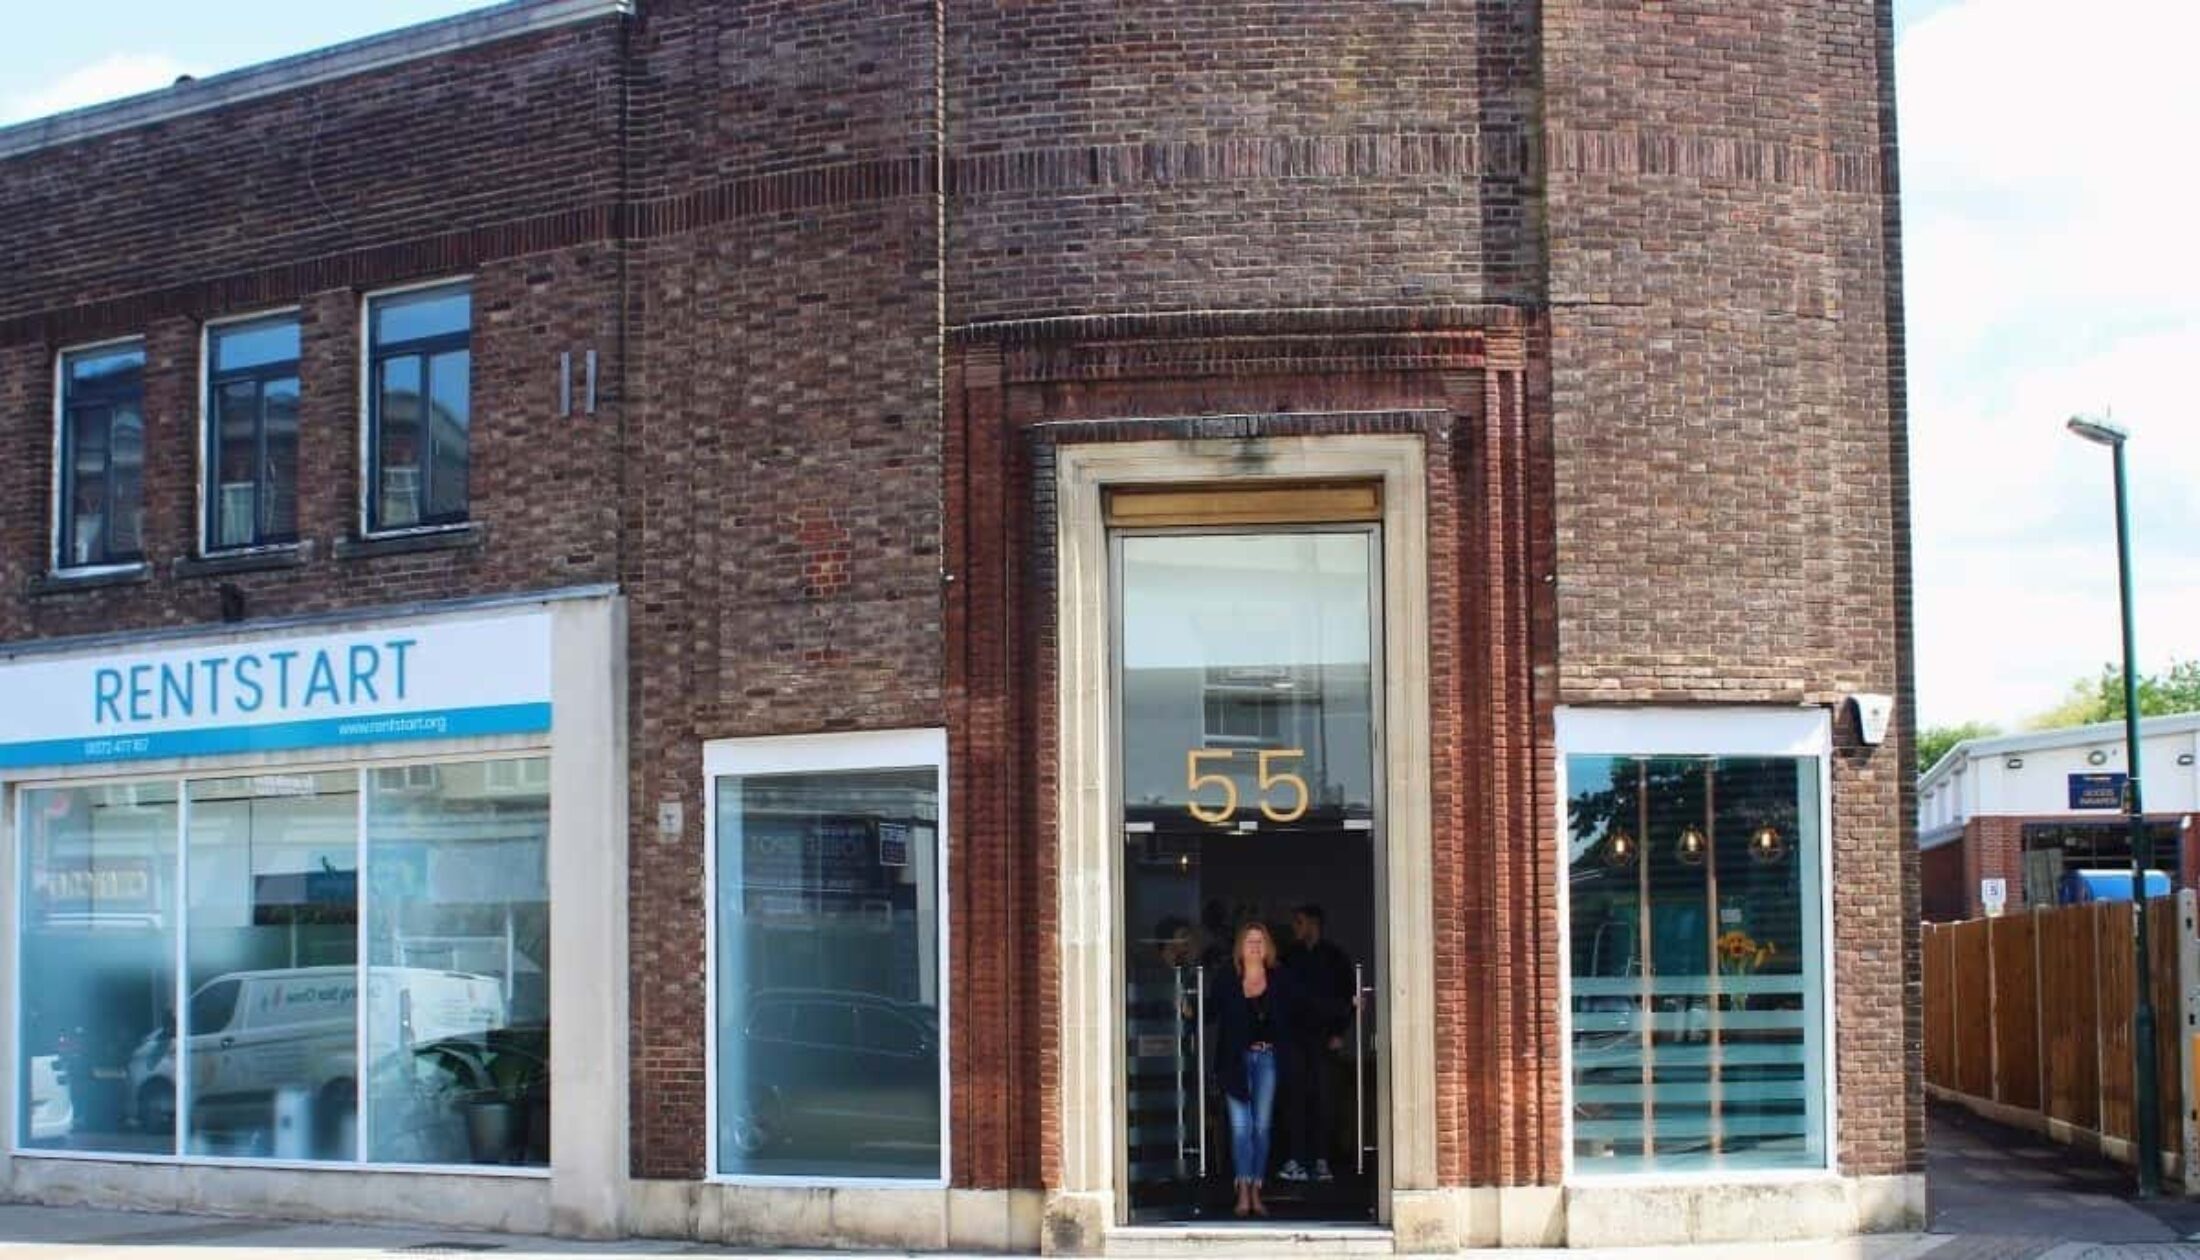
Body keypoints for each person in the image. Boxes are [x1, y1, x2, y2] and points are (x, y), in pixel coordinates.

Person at [1208, 920, 1302, 1218]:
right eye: (1249, 941)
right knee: (1240, 1129)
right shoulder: (1227, 978)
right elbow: (1209, 1010)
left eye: (1260, 942)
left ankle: (1257, 1190)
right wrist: (1185, 1007)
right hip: (1235, 1063)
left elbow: (1305, 1006)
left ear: (1268, 948)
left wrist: (1347, 1004)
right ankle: (1243, 1191)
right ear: (1240, 947)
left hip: (1268, 1061)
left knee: (1261, 1128)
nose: (1255, 946)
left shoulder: (1280, 978)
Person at [1279, 903, 1356, 1184]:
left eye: (1298, 922)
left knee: (1324, 1099)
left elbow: (1350, 997)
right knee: (1295, 1098)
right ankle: (1296, 1159)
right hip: (1295, 1039)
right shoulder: (1288, 957)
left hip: (1325, 1039)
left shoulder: (1336, 958)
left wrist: (1340, 1031)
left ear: (1313, 923)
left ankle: (1322, 1160)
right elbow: (1280, 999)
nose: (1294, 928)